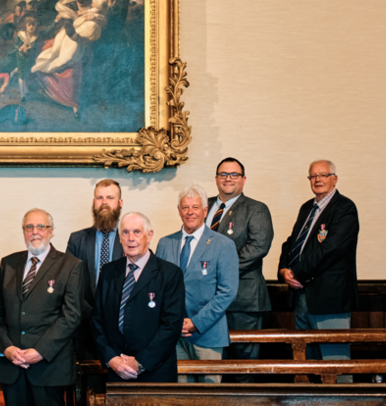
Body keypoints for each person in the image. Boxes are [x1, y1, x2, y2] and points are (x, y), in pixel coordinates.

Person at [0, 208, 85, 406]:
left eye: (41, 226)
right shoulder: (8, 263)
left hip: (49, 368)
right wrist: (6, 347)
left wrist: (40, 351)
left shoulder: (70, 265)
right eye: (29, 227)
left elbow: (71, 316)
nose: (35, 231)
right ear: (23, 231)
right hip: (12, 366)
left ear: (51, 231)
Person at [277, 159, 359, 379]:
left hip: (330, 298)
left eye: (323, 175)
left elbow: (332, 249)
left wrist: (298, 272)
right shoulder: (307, 208)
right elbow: (292, 242)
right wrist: (284, 269)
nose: (318, 180)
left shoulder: (344, 208)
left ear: (334, 179)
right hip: (301, 296)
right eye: (313, 176)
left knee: (336, 366)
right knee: (307, 367)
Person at [154, 186, 238, 383]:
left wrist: (195, 323)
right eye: (185, 207)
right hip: (173, 335)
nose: (190, 212)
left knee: (209, 398)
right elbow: (157, 288)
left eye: (195, 207)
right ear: (179, 210)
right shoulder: (165, 243)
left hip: (207, 334)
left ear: (205, 210)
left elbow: (227, 292)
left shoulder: (223, 245)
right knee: (181, 396)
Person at [93, 212, 185, 383]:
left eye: (137, 232)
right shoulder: (108, 272)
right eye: (125, 232)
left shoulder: (170, 274)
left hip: (155, 372)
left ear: (149, 235)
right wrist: (112, 359)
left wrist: (140, 362)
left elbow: (171, 326)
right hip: (116, 371)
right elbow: (97, 320)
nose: (130, 238)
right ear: (120, 239)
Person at [207, 157, 273, 378]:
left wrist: (220, 271)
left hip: (243, 301)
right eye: (223, 174)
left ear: (243, 179)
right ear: (216, 178)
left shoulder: (256, 209)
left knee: (243, 370)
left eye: (234, 174)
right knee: (213, 367)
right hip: (207, 301)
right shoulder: (202, 206)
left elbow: (258, 247)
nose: (228, 178)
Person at [65, 179, 125, 393]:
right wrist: (94, 316)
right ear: (93, 202)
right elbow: (70, 287)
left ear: (120, 203)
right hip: (86, 328)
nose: (104, 202)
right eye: (100, 198)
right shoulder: (77, 240)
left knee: (118, 391)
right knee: (90, 390)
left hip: (122, 331)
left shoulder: (132, 238)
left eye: (110, 198)